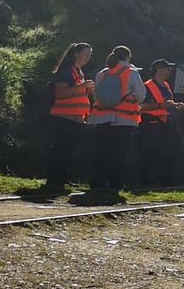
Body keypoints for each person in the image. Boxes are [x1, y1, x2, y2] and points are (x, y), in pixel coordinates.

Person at [87, 46, 146, 199]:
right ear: (128, 57)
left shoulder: (102, 73)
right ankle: (115, 184)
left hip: (102, 119)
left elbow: (96, 93)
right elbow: (141, 95)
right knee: (120, 154)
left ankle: (97, 183)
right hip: (124, 120)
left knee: (101, 152)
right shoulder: (131, 72)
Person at [40, 41, 94, 194]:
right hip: (63, 117)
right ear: (76, 54)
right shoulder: (66, 71)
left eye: (89, 55)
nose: (87, 58)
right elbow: (62, 93)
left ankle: (61, 179)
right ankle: (54, 179)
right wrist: (82, 86)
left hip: (74, 118)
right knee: (60, 149)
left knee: (68, 150)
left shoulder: (78, 72)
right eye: (85, 54)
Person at [135, 58, 184, 188]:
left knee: (166, 154)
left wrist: (176, 106)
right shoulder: (147, 86)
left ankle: (165, 181)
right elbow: (140, 106)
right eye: (167, 67)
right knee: (149, 153)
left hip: (166, 124)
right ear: (159, 69)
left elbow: (168, 103)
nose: (170, 70)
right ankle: (147, 182)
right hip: (150, 124)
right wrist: (160, 106)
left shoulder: (166, 85)